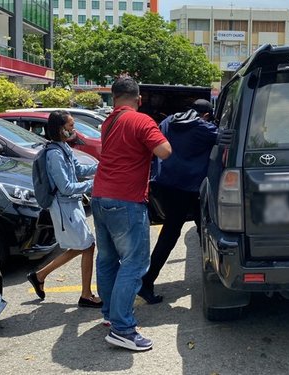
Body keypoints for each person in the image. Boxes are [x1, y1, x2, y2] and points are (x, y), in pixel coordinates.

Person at [91, 76, 172, 351]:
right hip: (126, 200)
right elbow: (164, 151)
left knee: (108, 259)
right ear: (139, 99)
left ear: (114, 98)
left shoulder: (108, 121)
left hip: (99, 196)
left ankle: (109, 316)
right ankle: (123, 329)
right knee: (135, 264)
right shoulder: (141, 120)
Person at [139, 99, 219, 304]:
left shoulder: (167, 122)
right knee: (191, 232)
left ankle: (148, 280)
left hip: (167, 186)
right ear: (207, 115)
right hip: (190, 187)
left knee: (181, 231)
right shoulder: (202, 127)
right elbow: (225, 138)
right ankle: (146, 281)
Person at [26, 110, 103, 309]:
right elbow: (66, 187)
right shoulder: (54, 154)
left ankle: (40, 275)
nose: (73, 129)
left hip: (72, 205)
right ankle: (85, 295)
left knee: (84, 246)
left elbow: (78, 170)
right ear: (61, 129)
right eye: (70, 126)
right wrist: (95, 184)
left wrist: (103, 166)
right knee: (87, 246)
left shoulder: (63, 148)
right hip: (64, 207)